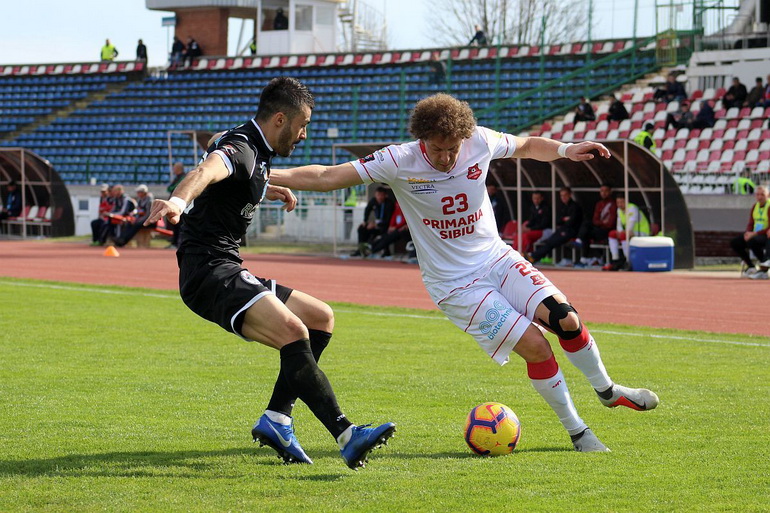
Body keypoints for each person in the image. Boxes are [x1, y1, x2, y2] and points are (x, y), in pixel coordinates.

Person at [271, 93, 659, 452]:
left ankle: (608, 391)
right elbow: (326, 177)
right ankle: (578, 431)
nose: (445, 158)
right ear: (421, 140)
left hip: (497, 259)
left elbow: (526, 145)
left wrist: (566, 149)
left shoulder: (480, 141)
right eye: (437, 149)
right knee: (537, 347)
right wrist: (263, 174)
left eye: (452, 149)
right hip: (455, 285)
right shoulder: (398, 160)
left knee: (566, 319)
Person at [144, 77, 395, 469]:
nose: (304, 134)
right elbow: (208, 169)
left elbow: (228, 156)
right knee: (293, 330)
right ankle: (347, 435)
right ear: (280, 119)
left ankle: (277, 418)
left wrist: (263, 187)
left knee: (319, 318)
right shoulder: (243, 148)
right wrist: (178, 200)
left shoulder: (257, 152)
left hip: (226, 266)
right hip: (208, 271)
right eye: (302, 125)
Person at [528, 186, 582, 266]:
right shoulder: (561, 206)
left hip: (571, 231)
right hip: (562, 230)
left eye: (565, 195)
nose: (563, 197)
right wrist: (564, 219)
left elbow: (572, 221)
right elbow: (557, 220)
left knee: (552, 242)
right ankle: (534, 256)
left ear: (570, 195)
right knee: (550, 241)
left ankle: (534, 256)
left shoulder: (575, 206)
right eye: (561, 195)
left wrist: (564, 220)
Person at [602, 194, 650, 271]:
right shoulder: (619, 210)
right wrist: (619, 232)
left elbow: (631, 224)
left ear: (626, 201)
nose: (620, 204)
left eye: (622, 202)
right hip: (629, 232)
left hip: (641, 232)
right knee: (612, 234)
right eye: (618, 202)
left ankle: (628, 261)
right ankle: (615, 259)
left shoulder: (632, 208)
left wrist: (622, 232)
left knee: (624, 235)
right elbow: (619, 224)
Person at [731, 186, 770, 279]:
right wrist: (748, 232)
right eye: (758, 195)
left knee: (752, 241)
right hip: (756, 234)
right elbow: (751, 223)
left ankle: (764, 266)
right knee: (735, 242)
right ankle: (751, 266)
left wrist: (755, 234)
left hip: (765, 235)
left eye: (762, 195)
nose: (760, 197)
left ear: (768, 195)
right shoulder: (755, 206)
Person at [575, 183, 616, 267]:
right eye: (602, 191)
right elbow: (595, 220)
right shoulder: (599, 204)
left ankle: (580, 241)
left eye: (606, 191)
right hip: (598, 228)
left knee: (586, 232)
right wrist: (602, 222)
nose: (603, 193)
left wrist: (601, 222)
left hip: (607, 230)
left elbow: (610, 223)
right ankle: (583, 258)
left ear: (610, 192)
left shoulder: (613, 204)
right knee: (586, 227)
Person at [352, 186, 393, 257]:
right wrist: (365, 221)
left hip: (386, 225)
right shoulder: (373, 201)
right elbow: (367, 210)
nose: (379, 197)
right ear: (375, 195)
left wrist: (376, 225)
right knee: (361, 228)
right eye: (378, 195)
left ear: (385, 196)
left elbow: (388, 220)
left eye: (381, 195)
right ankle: (361, 249)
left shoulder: (389, 204)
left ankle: (385, 251)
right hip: (376, 224)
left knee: (384, 232)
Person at [166, 162, 187, 248]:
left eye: (174, 168)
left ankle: (178, 243)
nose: (173, 170)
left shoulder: (183, 177)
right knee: (174, 224)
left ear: (178, 168)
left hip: (180, 204)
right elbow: (169, 188)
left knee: (179, 224)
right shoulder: (177, 177)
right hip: (174, 203)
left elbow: (172, 188)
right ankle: (174, 242)